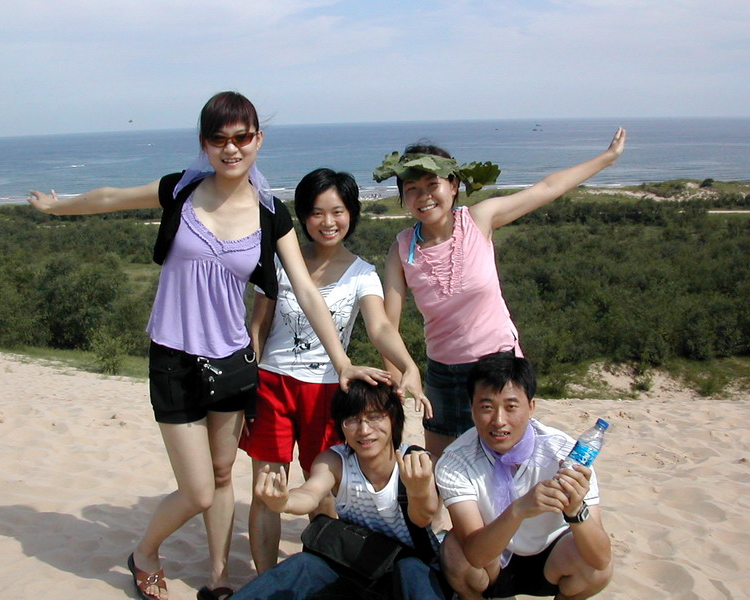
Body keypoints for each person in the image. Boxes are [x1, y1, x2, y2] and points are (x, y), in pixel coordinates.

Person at [27, 92, 390, 600]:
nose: (231, 148)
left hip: (232, 361)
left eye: (242, 137)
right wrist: (58, 206)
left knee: (222, 474)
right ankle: (145, 552)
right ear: (205, 143)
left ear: (258, 140)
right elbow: (110, 197)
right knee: (198, 490)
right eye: (219, 139)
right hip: (173, 357)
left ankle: (218, 577)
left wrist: (342, 361)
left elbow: (306, 290)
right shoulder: (181, 189)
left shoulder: (270, 213)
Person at [376, 128, 626, 457]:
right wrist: (397, 386)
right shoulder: (402, 248)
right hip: (442, 374)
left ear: (453, 185)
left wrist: (606, 159)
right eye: (412, 189)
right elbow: (387, 326)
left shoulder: (478, 219)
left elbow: (547, 188)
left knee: (504, 459)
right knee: (441, 466)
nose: (424, 197)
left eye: (432, 185)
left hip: (498, 365)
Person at [240, 167, 432, 573]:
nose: (327, 222)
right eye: (316, 212)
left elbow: (380, 327)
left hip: (329, 390)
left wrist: (408, 365)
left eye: (338, 211)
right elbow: (258, 327)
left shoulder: (362, 273)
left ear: (352, 213)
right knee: (267, 488)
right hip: (272, 383)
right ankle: (264, 581)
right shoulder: (278, 261)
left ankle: (321, 573)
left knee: (323, 490)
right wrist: (247, 386)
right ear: (302, 216)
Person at [232, 380, 449, 600]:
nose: (364, 430)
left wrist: (418, 491)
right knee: (303, 564)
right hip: (355, 569)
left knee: (411, 568)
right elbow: (310, 493)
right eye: (352, 420)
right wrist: (285, 502)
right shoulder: (335, 461)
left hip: (407, 574)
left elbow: (423, 518)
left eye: (375, 416)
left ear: (393, 418)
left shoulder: (418, 463)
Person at [435, 352, 612, 599]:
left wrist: (575, 511)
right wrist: (518, 510)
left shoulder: (565, 453)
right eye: (486, 407)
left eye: (511, 407)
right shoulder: (455, 461)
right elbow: (475, 557)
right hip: (491, 562)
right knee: (454, 553)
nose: (499, 421)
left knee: (596, 571)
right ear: (471, 408)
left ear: (531, 407)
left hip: (551, 561)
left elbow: (601, 559)